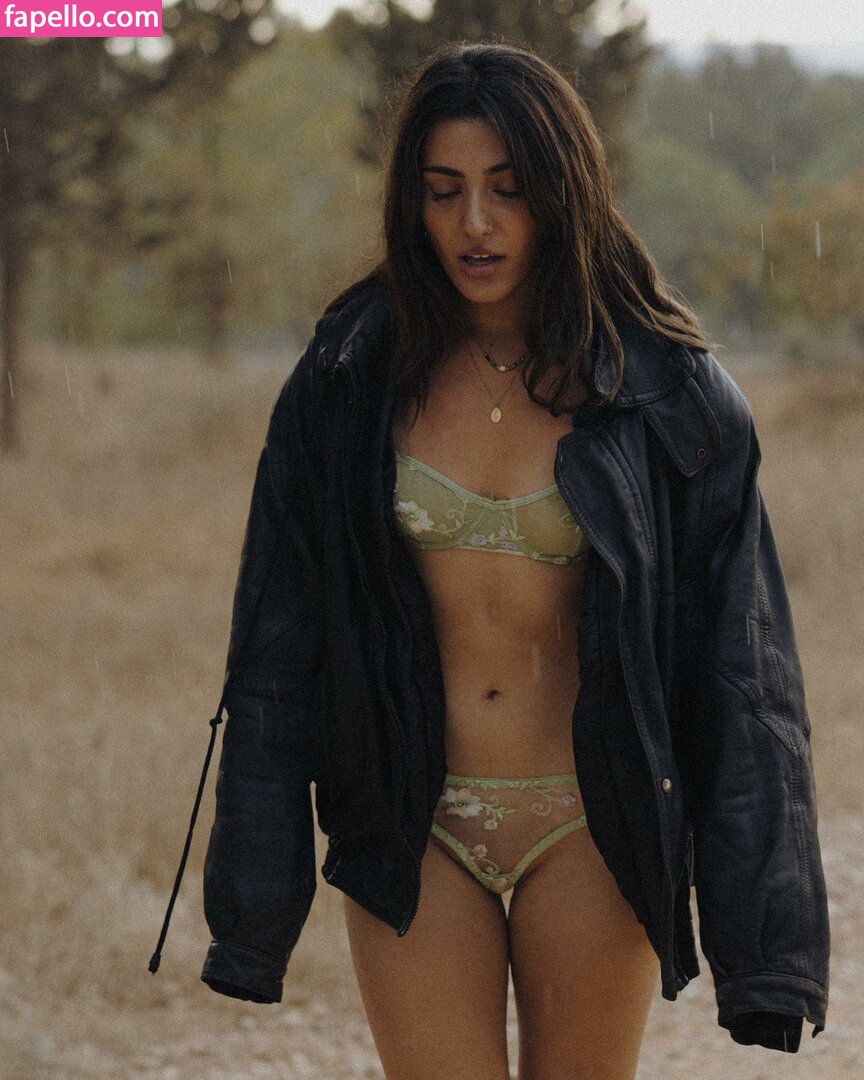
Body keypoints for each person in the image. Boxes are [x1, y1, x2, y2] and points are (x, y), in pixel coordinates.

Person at [150, 41, 830, 1080]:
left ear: (565, 193)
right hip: (411, 824)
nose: (475, 221)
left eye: (508, 189)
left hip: (589, 825)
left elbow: (748, 682)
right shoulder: (345, 379)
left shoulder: (669, 398)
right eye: (445, 190)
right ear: (411, 202)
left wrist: (767, 957)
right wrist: (251, 915)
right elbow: (275, 650)